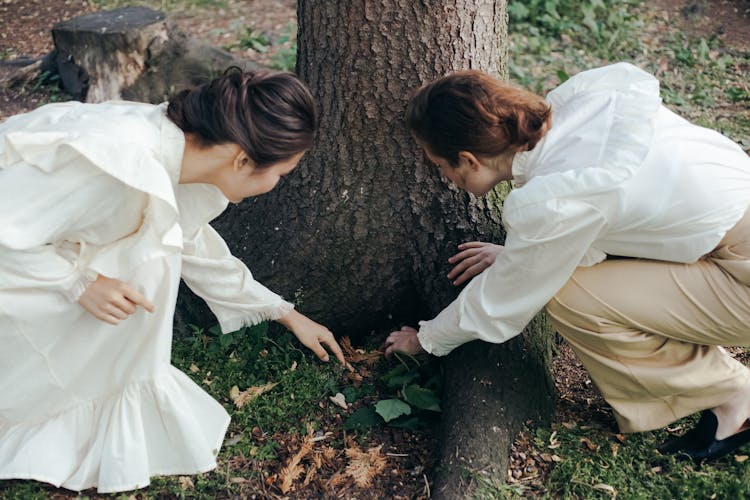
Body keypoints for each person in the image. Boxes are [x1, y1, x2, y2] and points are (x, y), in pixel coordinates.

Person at [0, 68, 346, 493]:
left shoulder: (178, 154)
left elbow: (192, 244)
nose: (276, 186)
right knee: (144, 267)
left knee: (152, 261)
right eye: (282, 173)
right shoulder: (117, 165)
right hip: (15, 265)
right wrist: (79, 284)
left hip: (40, 252)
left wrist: (285, 313)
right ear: (241, 159)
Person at [385, 62, 750, 460]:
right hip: (730, 236)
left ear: (470, 160)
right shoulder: (584, 106)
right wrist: (524, 255)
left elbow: (499, 302)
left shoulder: (556, 201)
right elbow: (606, 218)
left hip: (740, 268)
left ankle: (734, 394)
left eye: (440, 166)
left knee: (567, 294)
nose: (442, 177)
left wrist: (426, 339)